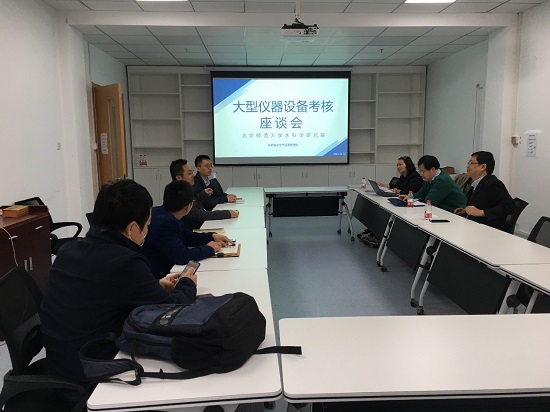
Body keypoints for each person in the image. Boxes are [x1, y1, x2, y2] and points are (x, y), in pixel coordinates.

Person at [40, 179, 198, 387]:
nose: (146, 232)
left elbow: (104, 289)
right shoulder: (126, 262)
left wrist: (153, 285)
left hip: (59, 362)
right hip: (92, 369)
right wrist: (187, 283)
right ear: (132, 228)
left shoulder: (68, 250)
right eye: (146, 226)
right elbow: (168, 312)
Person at [141, 180, 231, 278]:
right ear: (188, 206)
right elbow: (182, 256)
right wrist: (210, 249)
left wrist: (212, 236)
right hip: (160, 276)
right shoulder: (165, 222)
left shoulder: (164, 213)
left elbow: (189, 237)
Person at [360, 156, 424, 247]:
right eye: (397, 165)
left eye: (400, 164)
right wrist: (380, 184)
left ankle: (380, 234)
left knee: (385, 210)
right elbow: (393, 186)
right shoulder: (403, 176)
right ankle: (375, 231)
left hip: (412, 204)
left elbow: (408, 191)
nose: (398, 167)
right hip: (402, 199)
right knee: (381, 206)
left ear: (407, 165)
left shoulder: (415, 177)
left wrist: (398, 191)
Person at [454, 151, 515, 231]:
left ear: (483, 167)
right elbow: (481, 205)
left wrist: (482, 212)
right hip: (474, 226)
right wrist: (466, 211)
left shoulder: (493, 183)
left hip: (488, 229)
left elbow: (509, 206)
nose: (467, 166)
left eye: (471, 163)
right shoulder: (476, 183)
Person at [170, 159, 238, 230]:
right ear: (179, 177)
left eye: (192, 172)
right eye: (189, 173)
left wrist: (203, 194)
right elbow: (198, 214)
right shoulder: (178, 194)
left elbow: (195, 203)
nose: (193, 175)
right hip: (193, 230)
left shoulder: (186, 188)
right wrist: (227, 213)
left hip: (199, 225)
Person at [398, 155, 466, 212]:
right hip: (442, 209)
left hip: (454, 211)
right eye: (420, 171)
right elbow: (422, 192)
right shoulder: (429, 178)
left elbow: (430, 201)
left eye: (423, 171)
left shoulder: (442, 180)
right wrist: (410, 197)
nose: (421, 175)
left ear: (432, 169)